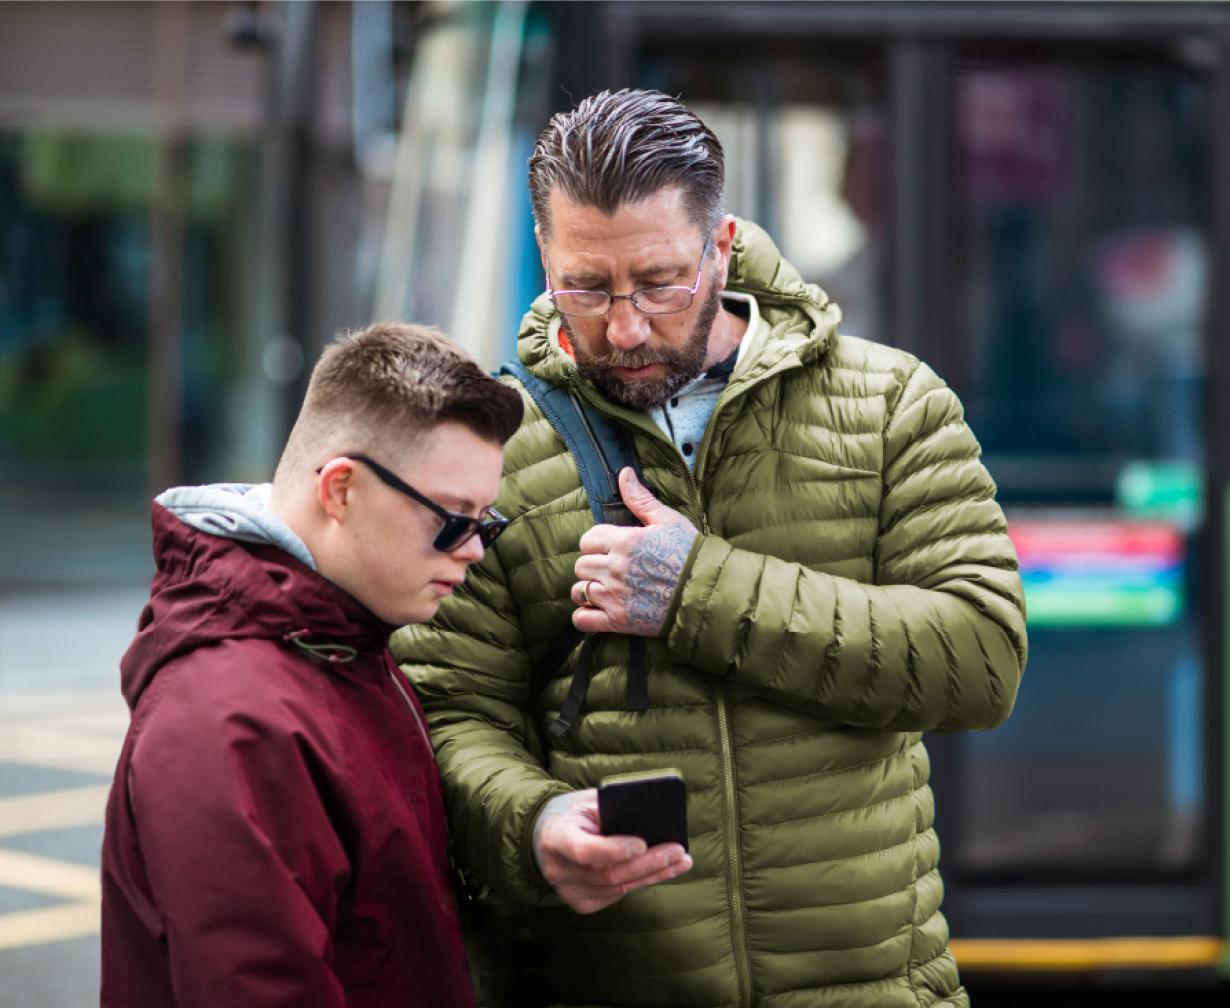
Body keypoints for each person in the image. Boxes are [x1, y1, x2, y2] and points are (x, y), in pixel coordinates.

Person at [392, 90, 1028, 1008]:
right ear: (544, 254)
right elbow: (447, 714)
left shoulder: (894, 404)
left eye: (660, 283)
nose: (625, 327)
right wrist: (532, 826)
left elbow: (982, 661)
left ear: (721, 247)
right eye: (586, 287)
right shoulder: (493, 448)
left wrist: (698, 589)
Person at [100, 323, 523, 1007]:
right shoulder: (229, 716)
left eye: (486, 523)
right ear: (342, 490)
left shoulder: (344, 642)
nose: (473, 549)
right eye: (452, 519)